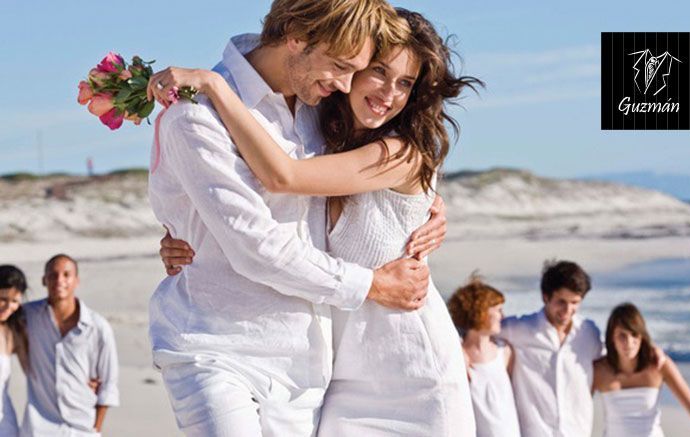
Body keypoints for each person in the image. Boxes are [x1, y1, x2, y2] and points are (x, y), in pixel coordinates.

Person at [150, 6, 482, 436]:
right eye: (365, 70)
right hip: (235, 351)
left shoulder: (323, 112)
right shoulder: (200, 114)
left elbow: (287, 177)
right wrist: (187, 224)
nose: (346, 83)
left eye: (405, 83)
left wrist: (430, 203)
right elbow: (257, 239)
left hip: (371, 363)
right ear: (296, 36)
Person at [498, 260, 603, 437]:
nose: (567, 310)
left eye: (575, 302)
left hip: (579, 432)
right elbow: (478, 330)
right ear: (545, 296)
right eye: (561, 302)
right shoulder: (520, 328)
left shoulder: (589, 332)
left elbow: (608, 365)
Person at [20, 254, 119, 437]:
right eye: (53, 275)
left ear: (76, 280)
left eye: (66, 275)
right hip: (38, 429)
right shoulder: (28, 317)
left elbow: (108, 384)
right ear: (44, 280)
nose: (59, 280)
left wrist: (95, 429)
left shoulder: (97, 327)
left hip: (82, 428)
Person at [593, 303, 690, 436]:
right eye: (622, 335)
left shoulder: (658, 365)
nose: (629, 342)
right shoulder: (600, 371)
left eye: (634, 335)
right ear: (611, 338)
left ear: (642, 336)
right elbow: (576, 408)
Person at [447, 275, 520, 437]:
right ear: (480, 312)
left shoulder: (505, 352)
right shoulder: (458, 355)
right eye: (498, 310)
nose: (503, 316)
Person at [0, 265, 27, 437]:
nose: (8, 307)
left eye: (15, 301)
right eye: (3, 298)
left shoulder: (12, 333)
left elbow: (36, 372)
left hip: (3, 423)